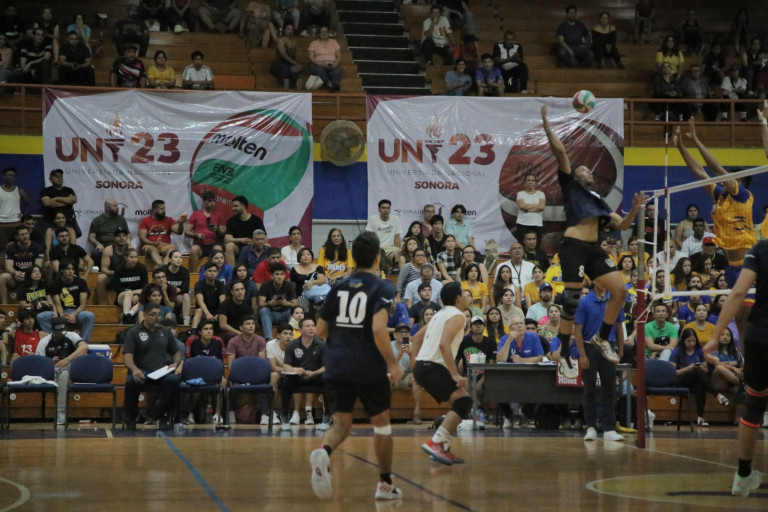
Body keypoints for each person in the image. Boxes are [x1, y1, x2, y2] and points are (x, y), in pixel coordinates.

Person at [541, 105, 646, 366]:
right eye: (584, 170)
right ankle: (564, 350)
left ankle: (602, 337)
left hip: (594, 249)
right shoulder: (571, 185)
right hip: (574, 245)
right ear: (576, 176)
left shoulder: (598, 200)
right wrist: (546, 125)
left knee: (620, 291)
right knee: (573, 301)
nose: (588, 172)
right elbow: (561, 152)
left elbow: (621, 225)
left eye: (590, 170)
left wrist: (633, 210)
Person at [311, 230, 405, 499]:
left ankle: (323, 451)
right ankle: (385, 483)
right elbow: (378, 328)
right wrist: (393, 364)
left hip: (336, 364)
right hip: (368, 366)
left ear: (354, 257)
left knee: (341, 424)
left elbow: (320, 330)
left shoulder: (338, 286)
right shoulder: (383, 286)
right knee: (382, 424)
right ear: (378, 258)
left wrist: (341, 347)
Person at [705, 237, 767, 494]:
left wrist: (714, 336)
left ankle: (742, 476)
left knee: (753, 405)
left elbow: (738, 292)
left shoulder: (761, 249)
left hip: (759, 337)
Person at [674, 118, 755, 287]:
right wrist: (681, 147)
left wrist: (696, 140)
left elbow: (716, 168)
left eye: (728, 179)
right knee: (738, 312)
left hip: (747, 264)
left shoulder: (743, 195)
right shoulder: (721, 196)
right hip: (731, 265)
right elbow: (701, 174)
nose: (723, 182)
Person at [410, 282, 472, 465]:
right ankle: (437, 441)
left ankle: (443, 446)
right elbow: (444, 344)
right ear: (458, 298)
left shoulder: (439, 315)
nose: (468, 296)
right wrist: (454, 374)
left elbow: (416, 338)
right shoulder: (458, 316)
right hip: (433, 367)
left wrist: (415, 365)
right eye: (464, 293)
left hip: (423, 366)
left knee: (459, 401)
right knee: (464, 401)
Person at [572, 281, 625, 441]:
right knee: (589, 389)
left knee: (610, 388)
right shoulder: (584, 302)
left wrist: (621, 349)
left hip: (608, 346)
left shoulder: (614, 301)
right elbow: (578, 330)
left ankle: (609, 428)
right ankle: (591, 427)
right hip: (590, 347)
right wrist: (582, 354)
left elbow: (619, 327)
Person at [123, 302, 182, 430]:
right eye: (153, 315)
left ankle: (163, 416)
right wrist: (134, 369)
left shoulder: (165, 331)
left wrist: (175, 363)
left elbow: (176, 352)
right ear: (144, 315)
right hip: (141, 372)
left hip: (160, 373)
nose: (157, 317)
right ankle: (131, 417)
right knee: (131, 382)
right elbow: (127, 356)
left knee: (173, 380)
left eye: (158, 315)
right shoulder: (133, 332)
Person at [672, 328, 730, 427]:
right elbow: (673, 373)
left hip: (696, 380)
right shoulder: (677, 351)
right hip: (681, 379)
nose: (691, 343)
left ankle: (700, 418)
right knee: (694, 370)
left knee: (700, 385)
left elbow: (706, 370)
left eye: (693, 341)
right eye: (689, 341)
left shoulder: (699, 350)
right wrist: (688, 368)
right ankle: (718, 395)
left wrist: (701, 368)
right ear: (683, 341)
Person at [36, 316, 88, 425]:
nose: (61, 334)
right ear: (52, 330)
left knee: (65, 369)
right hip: (53, 371)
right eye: (58, 332)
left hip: (72, 367)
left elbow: (84, 347)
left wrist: (67, 359)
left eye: (63, 331)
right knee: (62, 372)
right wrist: (50, 361)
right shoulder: (44, 342)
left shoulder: (72, 335)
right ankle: (60, 412)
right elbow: (39, 364)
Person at [282, 318, 327, 432]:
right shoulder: (292, 345)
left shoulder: (321, 344)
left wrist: (314, 373)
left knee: (328, 379)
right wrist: (296, 370)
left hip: (315, 376)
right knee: (286, 381)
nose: (311, 328)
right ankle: (284, 418)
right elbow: (286, 366)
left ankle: (326, 420)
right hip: (298, 377)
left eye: (313, 325)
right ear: (300, 329)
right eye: (308, 326)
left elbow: (326, 367)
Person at [36, 258, 95, 342]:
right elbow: (58, 304)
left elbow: (83, 304)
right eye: (68, 269)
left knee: (90, 316)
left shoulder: (81, 282)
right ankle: (53, 340)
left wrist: (74, 315)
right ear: (61, 270)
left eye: (72, 269)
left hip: (77, 312)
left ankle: (83, 343)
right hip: (62, 312)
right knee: (41, 317)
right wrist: (62, 315)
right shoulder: (55, 284)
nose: (71, 271)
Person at [1, 225, 44, 304]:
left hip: (32, 277)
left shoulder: (37, 247)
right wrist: (16, 273)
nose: (25, 236)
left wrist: (27, 275)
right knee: (2, 277)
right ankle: (4, 306)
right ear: (17, 237)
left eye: (26, 233)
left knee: (40, 272)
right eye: (22, 234)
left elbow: (38, 266)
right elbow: (8, 267)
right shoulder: (11, 248)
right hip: (16, 277)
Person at [138, 199, 187, 266]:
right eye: (161, 209)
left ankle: (164, 267)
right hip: (150, 244)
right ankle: (161, 266)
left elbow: (178, 232)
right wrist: (152, 243)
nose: (164, 211)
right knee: (152, 249)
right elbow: (142, 238)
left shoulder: (169, 220)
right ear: (154, 209)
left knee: (172, 250)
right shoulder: (145, 221)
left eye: (164, 208)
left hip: (165, 245)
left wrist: (181, 224)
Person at [258, 262, 297, 339]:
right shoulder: (265, 285)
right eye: (277, 274)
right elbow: (260, 304)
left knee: (292, 311)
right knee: (263, 310)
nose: (279, 277)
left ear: (285, 276)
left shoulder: (289, 285)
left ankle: (292, 338)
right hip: (270, 314)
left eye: (282, 274)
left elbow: (295, 303)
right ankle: (269, 338)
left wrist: (287, 303)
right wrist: (269, 303)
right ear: (272, 276)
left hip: (284, 314)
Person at [225, 195, 266, 267]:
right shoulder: (231, 221)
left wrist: (254, 242)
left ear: (243, 206)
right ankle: (230, 275)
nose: (233, 208)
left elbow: (265, 237)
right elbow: (227, 239)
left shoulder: (256, 220)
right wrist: (241, 240)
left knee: (268, 246)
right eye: (233, 206)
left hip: (254, 245)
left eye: (235, 206)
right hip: (238, 247)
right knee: (229, 246)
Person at [88, 198, 129, 266]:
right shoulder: (97, 220)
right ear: (107, 208)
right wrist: (97, 244)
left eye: (117, 205)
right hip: (103, 246)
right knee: (95, 252)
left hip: (119, 245)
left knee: (131, 252)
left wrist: (128, 241)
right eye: (115, 206)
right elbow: (91, 237)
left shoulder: (121, 219)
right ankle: (100, 271)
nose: (117, 208)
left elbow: (128, 234)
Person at [113, 248, 148, 324]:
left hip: (138, 297)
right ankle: (126, 315)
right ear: (126, 257)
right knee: (129, 293)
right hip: (122, 296)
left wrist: (138, 295)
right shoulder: (119, 268)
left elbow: (145, 286)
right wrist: (133, 292)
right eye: (131, 257)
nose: (134, 259)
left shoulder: (142, 268)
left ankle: (128, 315)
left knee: (143, 300)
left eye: (136, 257)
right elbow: (116, 288)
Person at [0, 168, 31, 250]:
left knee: (17, 249)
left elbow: (28, 203)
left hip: (16, 224)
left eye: (13, 176)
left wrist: (24, 216)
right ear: (4, 177)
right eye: (9, 175)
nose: (11, 177)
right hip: (1, 224)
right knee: (2, 249)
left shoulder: (19, 191)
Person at [365, 199, 402, 268]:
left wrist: (398, 249)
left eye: (388, 208)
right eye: (383, 208)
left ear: (390, 209)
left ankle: (396, 271)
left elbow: (397, 237)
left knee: (398, 252)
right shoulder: (373, 219)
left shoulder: (396, 219)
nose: (386, 210)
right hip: (378, 248)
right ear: (379, 209)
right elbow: (369, 237)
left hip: (391, 248)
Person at [193, 261, 227, 329]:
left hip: (216, 311)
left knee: (224, 313)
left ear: (217, 273)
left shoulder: (221, 285)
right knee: (199, 311)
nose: (212, 273)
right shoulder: (199, 284)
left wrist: (219, 313)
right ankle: (193, 333)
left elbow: (222, 302)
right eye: (210, 271)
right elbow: (200, 301)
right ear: (205, 273)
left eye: (214, 271)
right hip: (203, 310)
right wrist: (207, 313)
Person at [218, 280, 254, 345]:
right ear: (232, 292)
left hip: (241, 332)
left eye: (242, 289)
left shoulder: (247, 307)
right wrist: (238, 332)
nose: (240, 292)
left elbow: (249, 323)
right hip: (227, 333)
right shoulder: (224, 305)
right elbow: (223, 325)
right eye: (237, 290)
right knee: (234, 336)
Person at [161, 250, 192, 325]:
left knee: (186, 296)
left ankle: (186, 322)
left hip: (178, 296)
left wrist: (172, 289)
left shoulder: (185, 271)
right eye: (176, 257)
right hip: (165, 295)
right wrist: (174, 289)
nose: (179, 259)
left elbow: (185, 289)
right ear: (170, 259)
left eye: (180, 257)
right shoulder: (163, 270)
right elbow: (161, 286)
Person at [308, 26, 341, 92]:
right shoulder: (314, 43)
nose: (324, 33)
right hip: (318, 65)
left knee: (337, 71)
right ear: (319, 34)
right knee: (318, 70)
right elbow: (311, 57)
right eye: (322, 32)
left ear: (328, 33)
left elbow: (339, 56)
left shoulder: (334, 42)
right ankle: (330, 84)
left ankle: (334, 85)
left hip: (331, 65)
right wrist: (320, 64)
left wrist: (335, 65)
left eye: (326, 32)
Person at [270, 23, 300, 88]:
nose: (290, 31)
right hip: (278, 64)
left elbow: (294, 57)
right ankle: (282, 88)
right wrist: (295, 63)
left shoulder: (294, 43)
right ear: (284, 30)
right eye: (288, 29)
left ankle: (292, 90)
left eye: (291, 29)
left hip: (289, 64)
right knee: (285, 68)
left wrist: (296, 66)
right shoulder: (280, 40)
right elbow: (283, 55)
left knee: (294, 71)